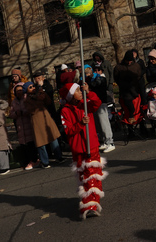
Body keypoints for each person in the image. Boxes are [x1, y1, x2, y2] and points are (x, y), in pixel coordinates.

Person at [59, 82, 105, 219]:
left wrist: (88, 92)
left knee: (94, 175)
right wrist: (80, 124)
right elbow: (68, 130)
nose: (81, 92)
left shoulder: (85, 104)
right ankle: (89, 202)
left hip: (92, 145)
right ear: (71, 95)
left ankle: (92, 204)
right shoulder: (65, 111)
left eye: (80, 90)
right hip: (79, 149)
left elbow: (97, 103)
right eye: (78, 91)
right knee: (84, 177)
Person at [24, 82, 64, 168]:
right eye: (30, 87)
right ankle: (45, 161)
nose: (33, 88)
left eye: (33, 86)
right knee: (40, 142)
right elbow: (32, 110)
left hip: (46, 119)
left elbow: (49, 102)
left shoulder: (40, 95)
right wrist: (38, 99)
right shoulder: (27, 100)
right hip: (37, 121)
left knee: (53, 138)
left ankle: (59, 156)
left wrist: (44, 95)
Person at [9, 83, 39, 170]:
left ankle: (34, 160)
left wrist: (24, 112)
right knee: (24, 145)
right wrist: (16, 113)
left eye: (20, 90)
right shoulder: (14, 102)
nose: (19, 92)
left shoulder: (26, 98)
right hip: (20, 125)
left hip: (28, 123)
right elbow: (11, 114)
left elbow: (30, 109)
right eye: (17, 91)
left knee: (31, 143)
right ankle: (29, 160)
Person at [87, 65, 115, 153]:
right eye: (94, 70)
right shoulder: (93, 79)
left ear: (101, 71)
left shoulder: (102, 78)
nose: (95, 72)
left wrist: (91, 79)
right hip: (94, 103)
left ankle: (110, 142)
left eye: (98, 70)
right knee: (98, 124)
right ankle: (104, 141)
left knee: (104, 123)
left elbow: (96, 84)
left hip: (101, 102)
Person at [114, 50, 143, 123]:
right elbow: (116, 78)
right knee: (128, 104)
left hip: (135, 88)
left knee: (138, 106)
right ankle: (130, 116)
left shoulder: (136, 66)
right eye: (128, 61)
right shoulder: (119, 67)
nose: (129, 62)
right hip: (125, 89)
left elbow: (139, 76)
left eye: (130, 61)